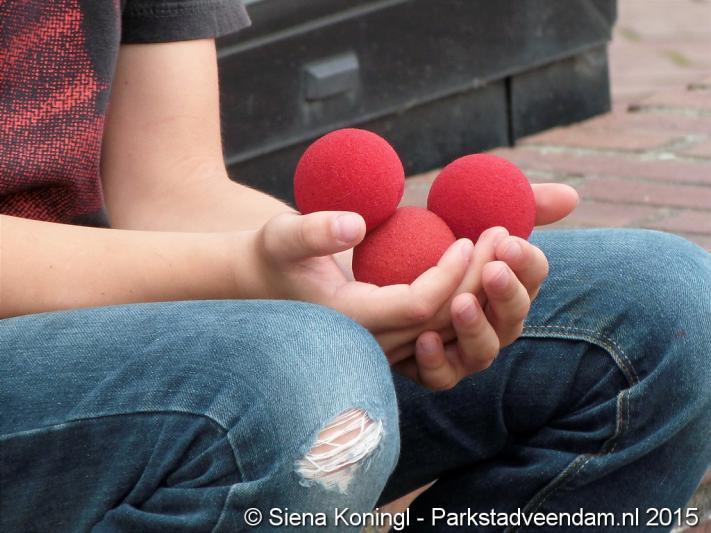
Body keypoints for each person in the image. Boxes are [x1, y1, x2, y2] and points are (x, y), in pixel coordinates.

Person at [1, 1, 709, 531]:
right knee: (311, 387)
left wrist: (341, 267)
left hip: (110, 322)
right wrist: (246, 274)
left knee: (668, 308)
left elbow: (168, 181)